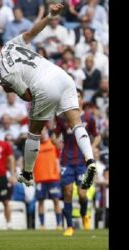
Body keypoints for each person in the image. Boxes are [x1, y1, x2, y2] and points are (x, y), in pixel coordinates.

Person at [0, 2, 97, 190]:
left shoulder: (6, 74)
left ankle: (28, 173)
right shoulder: (8, 46)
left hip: (44, 85)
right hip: (62, 76)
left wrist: (9, 89)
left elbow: (29, 96)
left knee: (34, 131)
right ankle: (91, 161)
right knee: (76, 123)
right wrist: (49, 15)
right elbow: (31, 33)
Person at [52, 88, 100, 236]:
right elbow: (54, 135)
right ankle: (70, 227)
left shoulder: (89, 118)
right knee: (67, 192)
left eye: (78, 96)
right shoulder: (62, 118)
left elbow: (97, 136)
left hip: (82, 162)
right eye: (74, 96)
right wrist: (56, 143)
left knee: (82, 194)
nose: (76, 99)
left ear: (82, 100)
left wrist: (91, 147)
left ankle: (84, 214)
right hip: (66, 160)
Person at [33, 127, 62, 230]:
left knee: (56, 200)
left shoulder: (53, 144)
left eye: (42, 131)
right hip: (40, 178)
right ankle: (42, 225)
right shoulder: (34, 146)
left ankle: (58, 224)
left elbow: (60, 146)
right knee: (41, 201)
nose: (41, 133)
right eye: (39, 132)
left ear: (46, 132)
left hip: (53, 177)